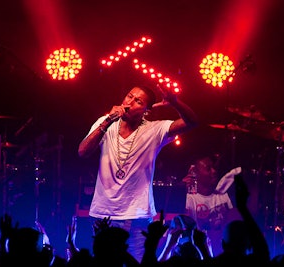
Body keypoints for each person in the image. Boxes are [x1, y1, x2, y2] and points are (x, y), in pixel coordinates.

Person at [78, 84, 198, 262]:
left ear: (146, 111)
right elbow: (83, 152)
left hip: (136, 216)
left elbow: (192, 122)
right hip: (102, 213)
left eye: (138, 101)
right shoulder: (105, 122)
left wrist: (175, 102)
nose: (130, 102)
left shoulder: (154, 130)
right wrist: (108, 120)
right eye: (129, 96)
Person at [182, 153, 242, 256]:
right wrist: (180, 189)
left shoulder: (223, 195)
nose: (214, 171)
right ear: (195, 173)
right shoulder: (190, 199)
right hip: (201, 253)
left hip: (224, 252)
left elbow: (235, 222)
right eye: (208, 169)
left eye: (214, 167)